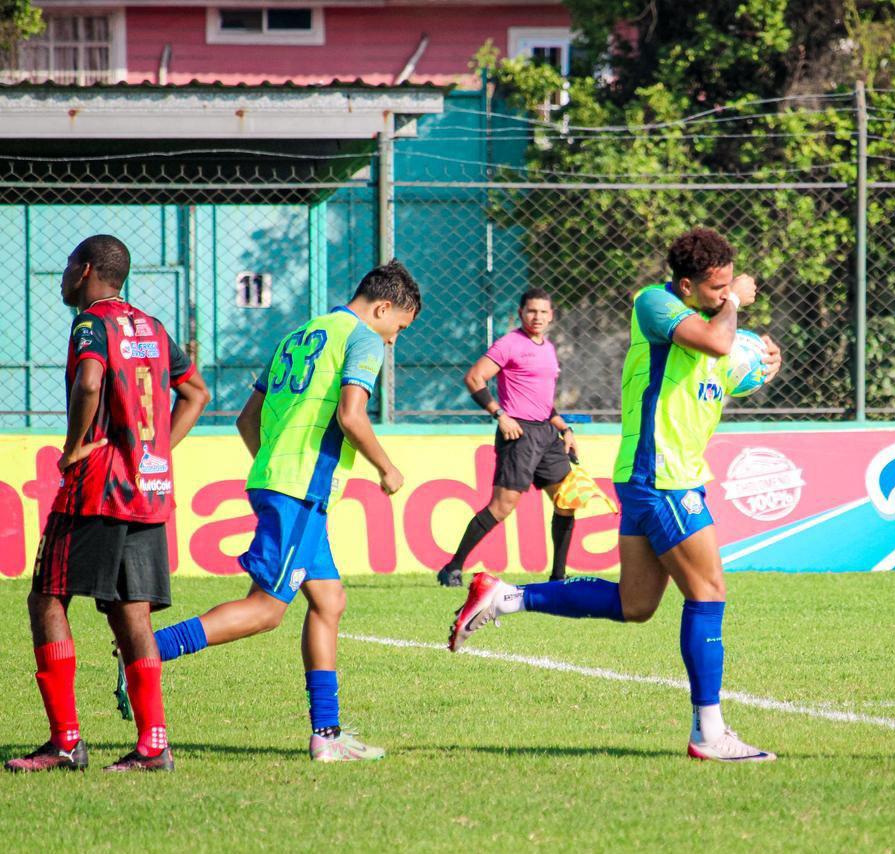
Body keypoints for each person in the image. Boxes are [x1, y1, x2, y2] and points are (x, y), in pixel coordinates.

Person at [448, 228, 782, 762]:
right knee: (709, 592)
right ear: (686, 285)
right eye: (715, 288)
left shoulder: (707, 323)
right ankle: (709, 733)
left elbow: (728, 363)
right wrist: (737, 301)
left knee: (636, 604)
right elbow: (719, 340)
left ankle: (505, 597)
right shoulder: (655, 304)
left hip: (667, 475)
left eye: (728, 287)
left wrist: (765, 361)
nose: (725, 295)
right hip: (661, 476)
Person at [145, 260, 420, 762]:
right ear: (382, 308)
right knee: (268, 610)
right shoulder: (361, 340)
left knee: (329, 600)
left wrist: (273, 469)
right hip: (301, 490)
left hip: (283, 483)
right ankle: (147, 653)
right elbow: (351, 415)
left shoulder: (300, 333)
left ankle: (327, 736)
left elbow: (246, 418)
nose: (393, 340)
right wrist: (387, 468)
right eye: (397, 329)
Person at [6, 235, 210, 773]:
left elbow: (90, 382)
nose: (64, 275)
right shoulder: (154, 328)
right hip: (148, 488)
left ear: (87, 269)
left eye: (69, 265)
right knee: (131, 612)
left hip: (97, 486)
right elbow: (196, 394)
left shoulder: (93, 323)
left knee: (48, 598)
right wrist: (155, 447)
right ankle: (153, 744)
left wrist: (73, 446)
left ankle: (66, 741)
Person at [437, 288, 578, 587]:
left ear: (551, 315)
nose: (537, 317)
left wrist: (565, 429)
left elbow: (542, 401)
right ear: (520, 314)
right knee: (502, 507)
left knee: (567, 501)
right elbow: (474, 377)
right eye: (531, 311)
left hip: (547, 433)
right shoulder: (509, 344)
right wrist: (500, 414)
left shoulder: (549, 348)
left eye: (543, 312)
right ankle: (452, 567)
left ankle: (558, 578)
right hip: (519, 434)